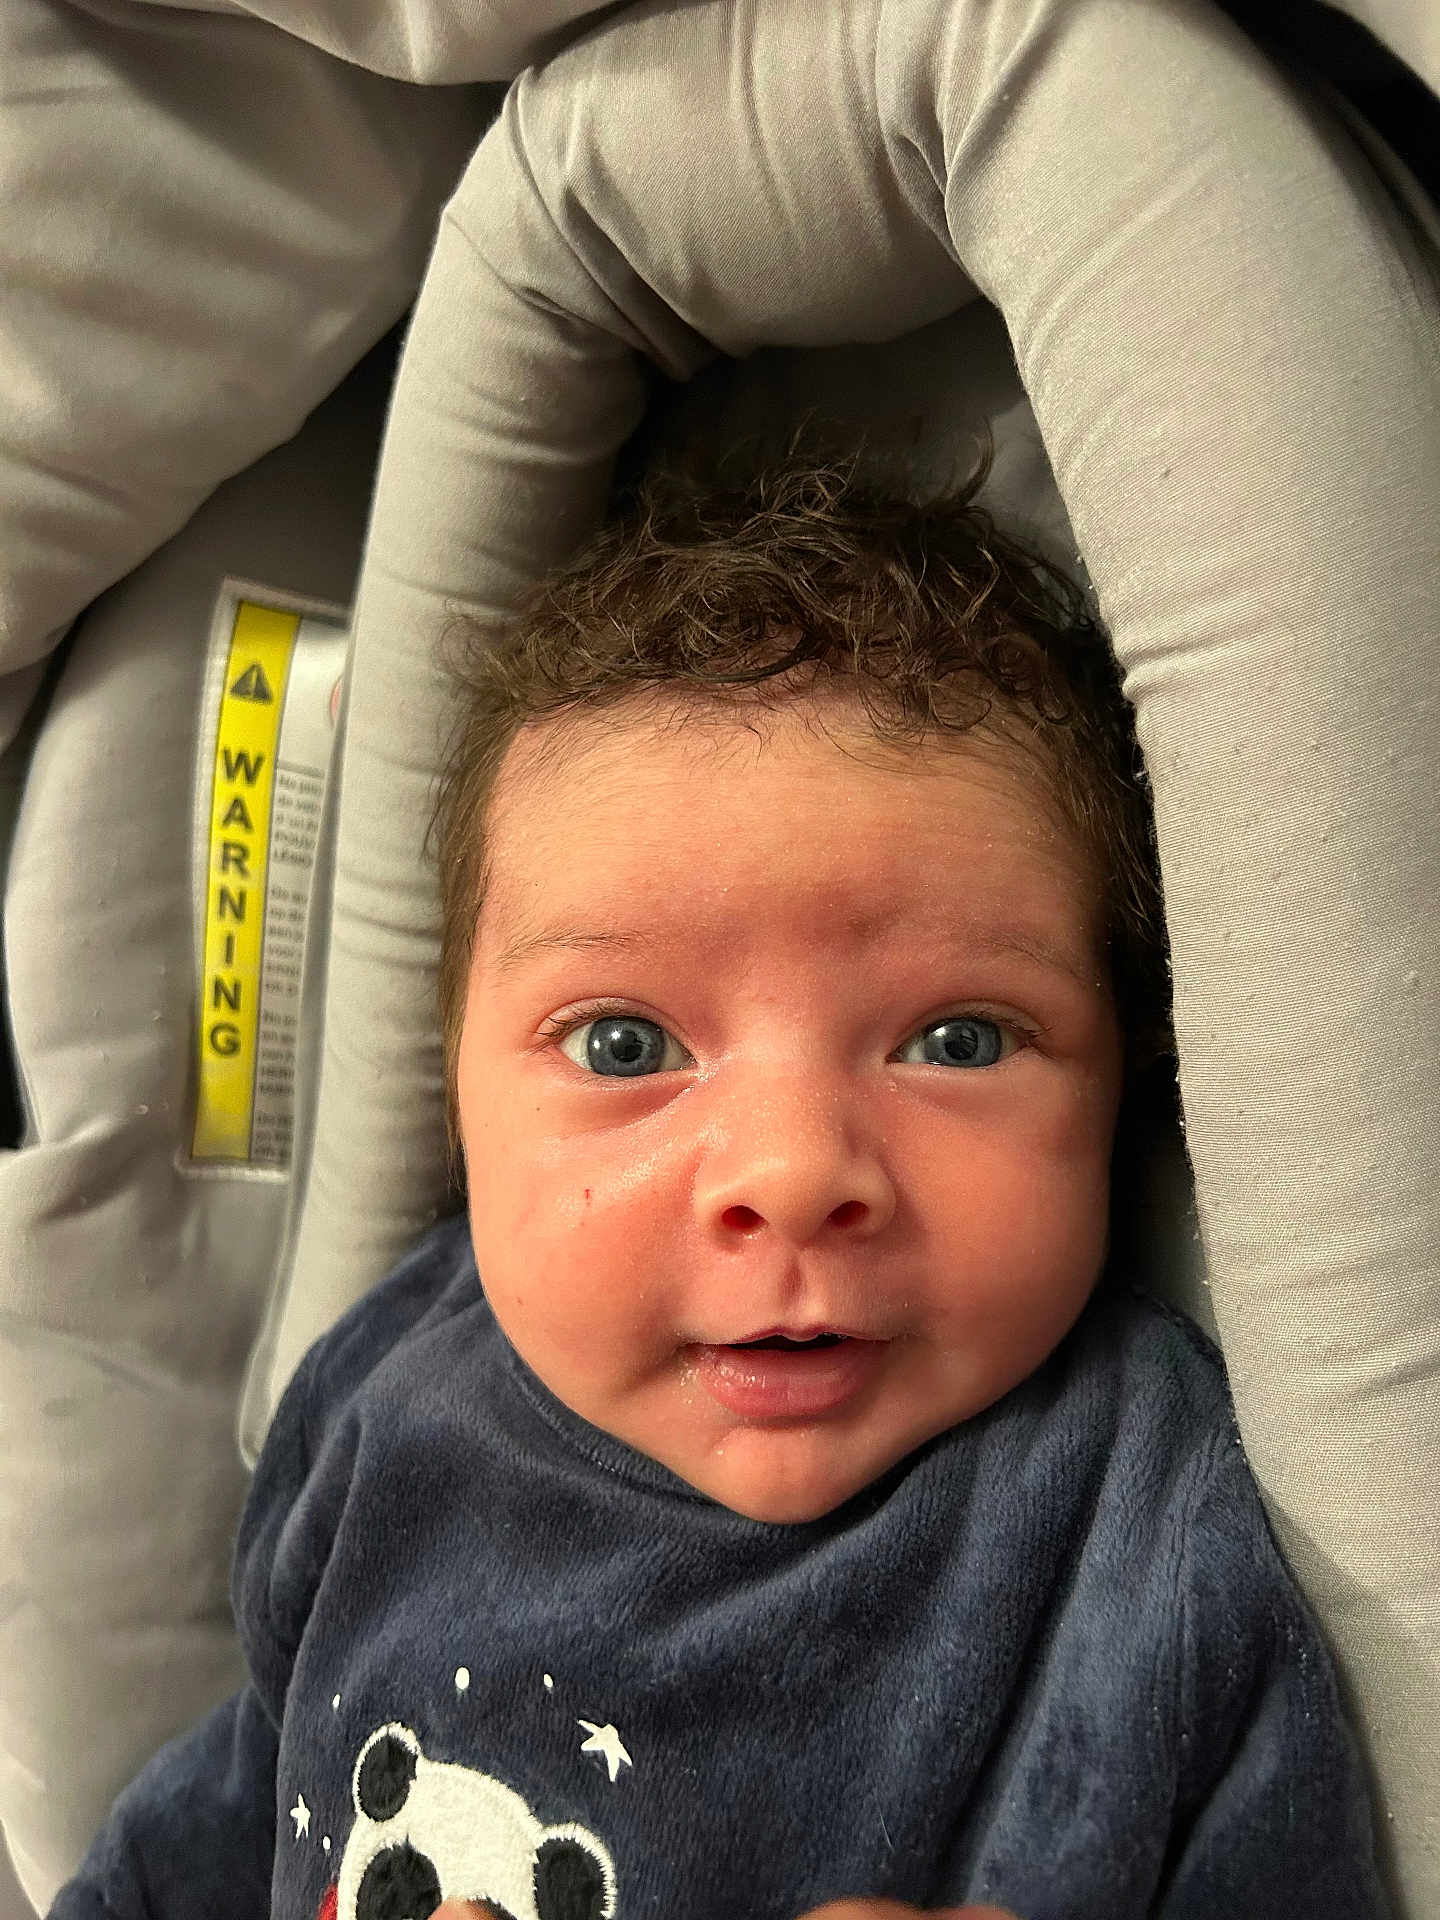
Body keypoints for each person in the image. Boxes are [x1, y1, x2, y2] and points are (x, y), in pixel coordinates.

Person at [47, 458, 1386, 1920]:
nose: (792, 1174)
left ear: (1127, 1074)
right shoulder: (384, 1397)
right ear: (458, 1096)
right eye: (625, 1047)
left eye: (957, 1040)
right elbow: (234, 1800)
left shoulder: (1149, 1538)